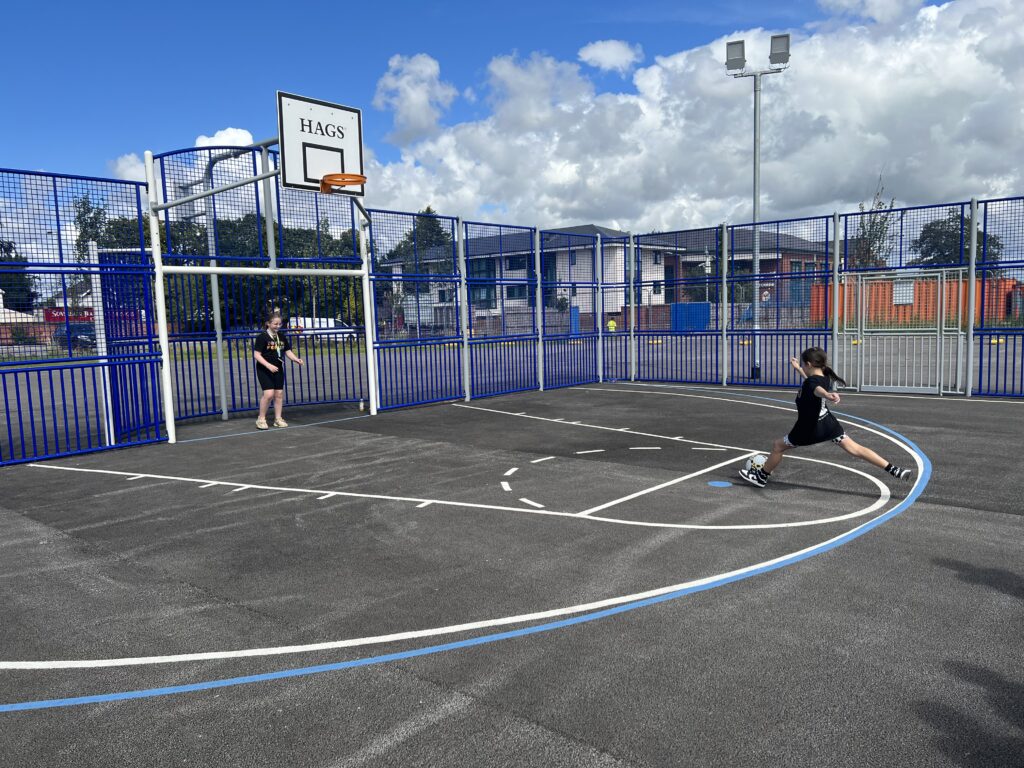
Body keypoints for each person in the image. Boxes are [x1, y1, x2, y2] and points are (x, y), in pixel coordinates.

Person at [739, 347, 912, 488]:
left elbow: (816, 389)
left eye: (803, 365)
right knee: (855, 449)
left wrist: (828, 395)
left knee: (778, 446)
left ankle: (761, 477)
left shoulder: (814, 385)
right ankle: (894, 469)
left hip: (809, 428)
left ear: (809, 363)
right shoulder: (824, 377)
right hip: (828, 424)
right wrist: (799, 369)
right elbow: (813, 382)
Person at [253, 312, 303, 430]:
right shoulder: (262, 337)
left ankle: (278, 419)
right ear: (268, 324)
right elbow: (256, 355)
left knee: (279, 394)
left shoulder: (281, 336)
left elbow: (287, 351)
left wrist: (296, 359)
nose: (277, 326)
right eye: (275, 324)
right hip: (264, 368)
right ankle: (261, 419)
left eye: (279, 324)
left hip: (278, 367)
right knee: (269, 394)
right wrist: (268, 365)